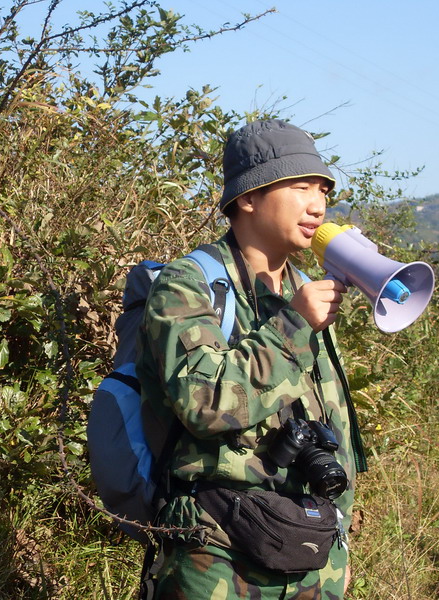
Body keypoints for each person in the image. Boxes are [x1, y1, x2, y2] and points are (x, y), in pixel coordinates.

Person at [137, 119, 366, 599]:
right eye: (300, 186)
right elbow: (206, 403)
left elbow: (331, 426)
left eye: (323, 188)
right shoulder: (188, 285)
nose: (318, 204)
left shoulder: (304, 289)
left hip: (311, 550)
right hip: (218, 555)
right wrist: (296, 327)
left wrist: (338, 538)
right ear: (248, 197)